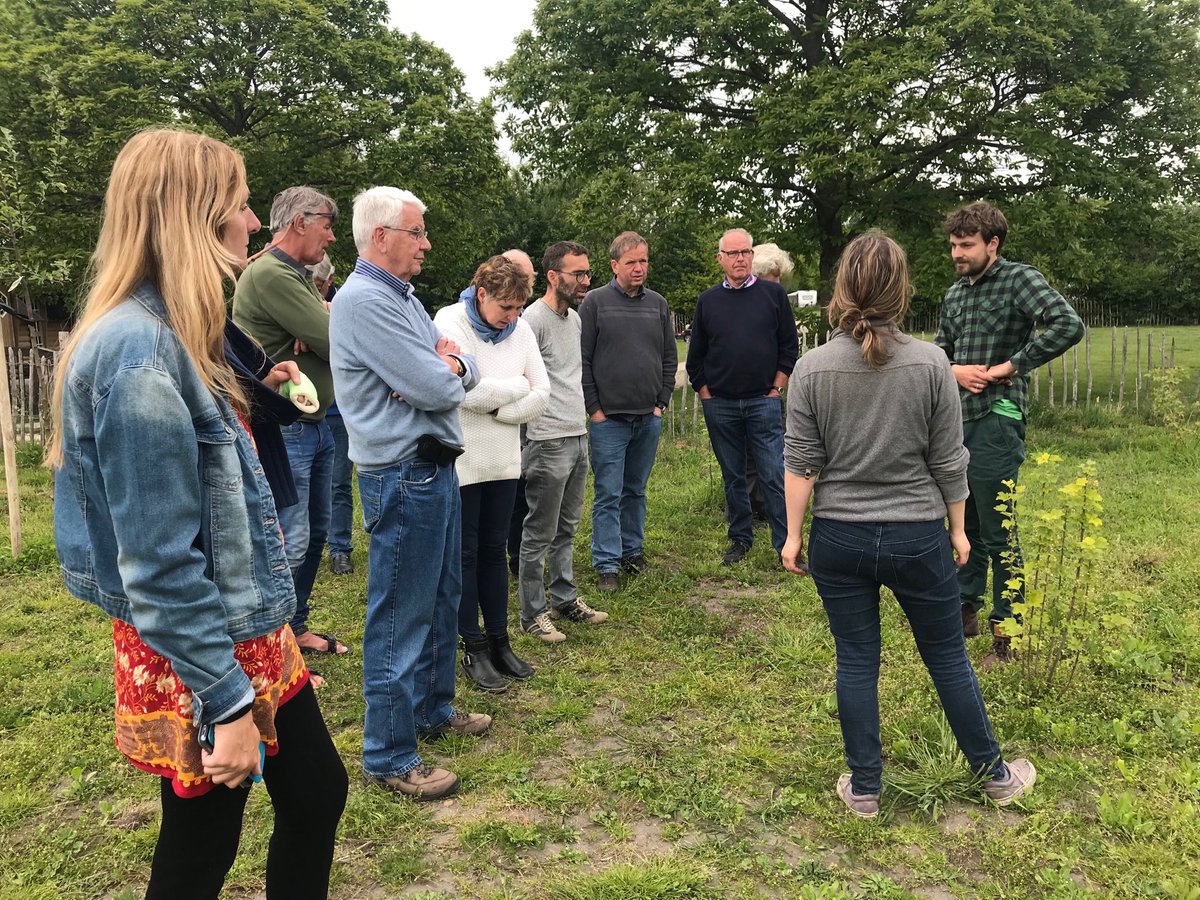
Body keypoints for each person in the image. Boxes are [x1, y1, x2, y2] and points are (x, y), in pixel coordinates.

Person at [47, 129, 346, 898]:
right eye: (242, 205)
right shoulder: (136, 354)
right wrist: (229, 702)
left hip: (247, 619)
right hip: (198, 642)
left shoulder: (186, 327)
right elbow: (158, 562)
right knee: (202, 844)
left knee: (315, 793)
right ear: (194, 215)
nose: (252, 222)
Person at [781, 229, 1036, 818]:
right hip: (917, 535)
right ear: (902, 291)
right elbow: (950, 459)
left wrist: (794, 535)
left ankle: (865, 790)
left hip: (839, 537)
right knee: (947, 656)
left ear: (843, 290)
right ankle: (995, 778)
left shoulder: (811, 369)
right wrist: (958, 529)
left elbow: (800, 462)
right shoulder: (932, 364)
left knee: (855, 659)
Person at [329, 186, 490, 802]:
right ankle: (389, 754)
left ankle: (431, 710)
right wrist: (443, 368)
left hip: (429, 467)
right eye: (417, 233)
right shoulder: (365, 301)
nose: (426, 244)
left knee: (441, 595)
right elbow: (438, 382)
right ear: (381, 237)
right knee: (400, 611)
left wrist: (449, 367)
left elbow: (453, 370)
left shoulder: (401, 296)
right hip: (403, 472)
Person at [936, 201, 1084, 665]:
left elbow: (1068, 324)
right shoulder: (955, 294)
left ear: (992, 243)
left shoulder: (1021, 278)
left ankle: (1009, 630)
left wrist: (1013, 365)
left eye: (967, 245)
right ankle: (965, 609)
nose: (958, 254)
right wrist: (955, 369)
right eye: (954, 246)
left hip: (997, 417)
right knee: (965, 523)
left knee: (998, 527)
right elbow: (941, 349)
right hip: (956, 420)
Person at [233, 187, 350, 657]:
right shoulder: (272, 273)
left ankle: (294, 630)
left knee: (315, 532)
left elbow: (327, 331)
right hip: (286, 428)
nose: (333, 235)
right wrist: (323, 325)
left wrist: (323, 314)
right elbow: (336, 341)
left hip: (314, 424)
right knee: (289, 539)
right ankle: (276, 652)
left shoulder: (297, 276)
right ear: (300, 222)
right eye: (327, 223)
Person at [433, 256, 549, 690]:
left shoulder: (519, 329)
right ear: (481, 294)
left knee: (495, 550)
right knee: (463, 555)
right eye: (505, 308)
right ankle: (473, 645)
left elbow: (543, 392)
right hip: (462, 461)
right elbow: (458, 388)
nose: (513, 318)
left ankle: (500, 640)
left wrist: (498, 405)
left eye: (519, 309)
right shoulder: (450, 322)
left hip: (503, 459)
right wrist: (514, 391)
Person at [687, 229, 797, 565]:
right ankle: (740, 540)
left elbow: (788, 347)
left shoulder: (772, 296)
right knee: (734, 475)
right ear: (720, 258)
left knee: (773, 474)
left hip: (762, 401)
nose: (739, 259)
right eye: (732, 253)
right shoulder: (708, 301)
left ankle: (785, 544)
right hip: (720, 404)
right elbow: (696, 356)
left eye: (745, 252)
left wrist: (775, 388)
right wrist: (706, 393)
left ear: (752, 256)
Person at [519, 241, 610, 643]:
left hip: (576, 435)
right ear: (554, 276)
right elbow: (522, 379)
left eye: (588, 273)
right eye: (578, 274)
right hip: (547, 439)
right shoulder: (530, 321)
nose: (586, 280)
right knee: (539, 531)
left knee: (568, 527)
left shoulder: (573, 319)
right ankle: (532, 613)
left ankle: (564, 598)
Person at [580, 231, 676, 592]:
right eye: (632, 262)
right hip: (609, 419)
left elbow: (669, 356)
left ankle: (632, 553)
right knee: (609, 492)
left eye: (644, 261)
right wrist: (594, 408)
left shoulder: (658, 304)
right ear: (614, 265)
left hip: (647, 416)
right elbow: (584, 359)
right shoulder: (595, 303)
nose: (639, 268)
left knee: (635, 490)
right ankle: (607, 564)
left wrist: (661, 401)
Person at [308, 254, 355, 577]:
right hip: (304, 410)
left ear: (329, 280)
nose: (316, 291)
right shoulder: (296, 303)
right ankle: (311, 543)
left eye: (319, 286)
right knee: (305, 484)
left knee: (339, 482)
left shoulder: (347, 305)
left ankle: (340, 548)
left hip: (338, 409)